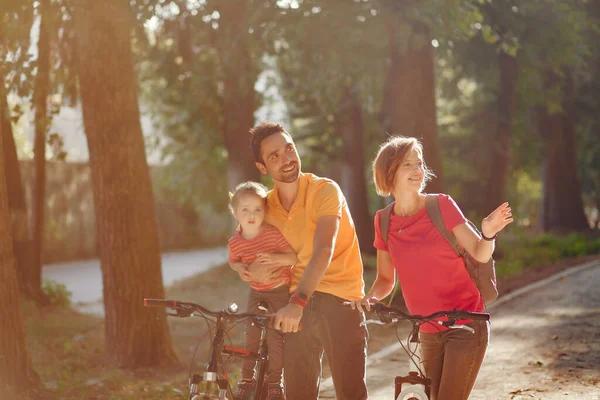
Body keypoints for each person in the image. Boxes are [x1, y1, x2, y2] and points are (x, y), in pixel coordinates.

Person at [349, 135, 513, 400]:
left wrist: (488, 234)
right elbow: (384, 278)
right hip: (426, 330)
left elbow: (480, 254)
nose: (418, 170)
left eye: (420, 164)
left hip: (466, 323)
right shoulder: (383, 221)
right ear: (388, 172)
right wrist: (370, 298)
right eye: (408, 165)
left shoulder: (441, 206)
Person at [246, 121, 368, 400]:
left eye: (289, 149)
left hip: (339, 299)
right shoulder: (266, 207)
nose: (286, 159)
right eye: (274, 156)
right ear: (262, 168)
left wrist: (296, 303)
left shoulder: (325, 190)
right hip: (293, 305)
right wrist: (247, 268)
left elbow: (323, 249)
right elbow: (254, 254)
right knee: (298, 394)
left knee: (351, 394)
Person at [227, 181, 298, 400]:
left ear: (265, 211)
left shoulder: (272, 234)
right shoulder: (235, 243)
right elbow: (233, 261)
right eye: (245, 210)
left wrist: (276, 258)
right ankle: (247, 379)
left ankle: (275, 381)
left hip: (278, 292)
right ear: (235, 212)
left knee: (275, 337)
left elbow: (293, 258)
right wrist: (240, 269)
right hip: (256, 292)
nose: (251, 214)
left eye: (257, 209)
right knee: (252, 335)